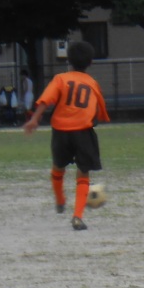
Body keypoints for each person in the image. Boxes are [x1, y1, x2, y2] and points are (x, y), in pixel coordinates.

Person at [23, 40, 111, 231]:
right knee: (83, 172)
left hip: (61, 131)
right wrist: (101, 117)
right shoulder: (92, 83)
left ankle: (60, 199)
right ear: (90, 62)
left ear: (68, 60)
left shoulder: (60, 79)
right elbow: (99, 107)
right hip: (83, 132)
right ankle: (77, 217)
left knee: (58, 167)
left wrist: (35, 119)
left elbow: (46, 100)